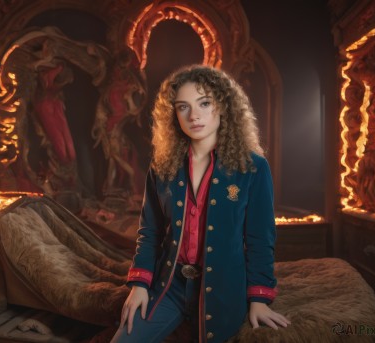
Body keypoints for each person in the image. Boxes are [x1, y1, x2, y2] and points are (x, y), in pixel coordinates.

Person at [110, 65, 291, 342]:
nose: (194, 115)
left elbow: (259, 238)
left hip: (223, 287)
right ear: (174, 115)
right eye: (183, 107)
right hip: (169, 284)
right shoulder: (162, 167)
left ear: (222, 105)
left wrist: (259, 298)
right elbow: (150, 232)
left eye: (204, 103)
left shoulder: (252, 167)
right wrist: (139, 284)